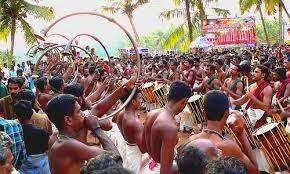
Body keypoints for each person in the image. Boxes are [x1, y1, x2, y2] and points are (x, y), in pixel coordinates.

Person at [45, 94, 120, 174]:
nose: (83, 114)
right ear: (68, 120)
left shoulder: (59, 138)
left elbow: (105, 120)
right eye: (79, 111)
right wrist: (96, 128)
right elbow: (115, 158)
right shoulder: (66, 145)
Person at [190, 90, 258, 173]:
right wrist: (242, 134)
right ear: (227, 113)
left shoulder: (191, 140)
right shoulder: (227, 146)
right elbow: (254, 171)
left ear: (203, 113)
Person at [142, 81, 191, 174]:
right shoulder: (170, 127)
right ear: (184, 102)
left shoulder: (151, 114)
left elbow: (143, 146)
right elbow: (165, 171)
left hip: (148, 165)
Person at [13, 100, 50, 174]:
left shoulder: (17, 134)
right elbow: (47, 150)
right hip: (42, 167)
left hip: (24, 168)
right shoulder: (42, 133)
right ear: (31, 113)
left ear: (16, 116)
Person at [116, 89, 144, 173]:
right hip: (135, 154)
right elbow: (143, 149)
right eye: (140, 98)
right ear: (133, 101)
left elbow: (123, 133)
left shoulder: (121, 114)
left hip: (128, 149)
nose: (142, 101)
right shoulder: (135, 122)